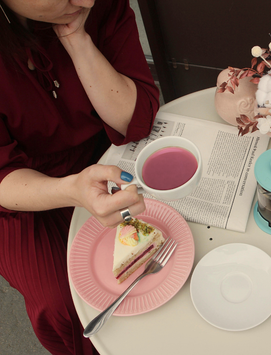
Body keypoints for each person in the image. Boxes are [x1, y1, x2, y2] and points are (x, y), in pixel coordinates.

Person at [0, 0, 160, 354]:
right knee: (60, 303)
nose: (86, 1)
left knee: (164, 261)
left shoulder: (98, 6)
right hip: (21, 191)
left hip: (104, 154)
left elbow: (132, 121)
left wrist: (78, 40)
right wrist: (71, 189)